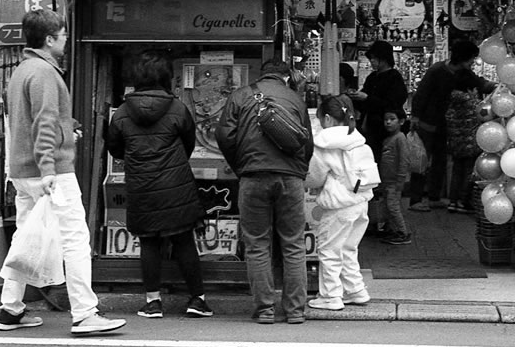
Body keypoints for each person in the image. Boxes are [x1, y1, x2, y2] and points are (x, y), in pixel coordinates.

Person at [0, 8, 127, 335]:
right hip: (50, 172)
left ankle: (10, 309)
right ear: (50, 39)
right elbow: (43, 120)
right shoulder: (44, 73)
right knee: (75, 239)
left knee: (26, 238)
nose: (67, 40)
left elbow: (26, 124)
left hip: (23, 171)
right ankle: (85, 313)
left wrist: (66, 133)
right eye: (63, 35)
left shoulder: (21, 71)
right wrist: (49, 166)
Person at [106, 49, 212, 319]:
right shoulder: (178, 108)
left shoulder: (121, 113)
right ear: (166, 76)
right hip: (176, 184)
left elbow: (115, 149)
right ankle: (197, 299)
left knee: (149, 242)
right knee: (184, 240)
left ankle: (153, 301)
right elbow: (189, 144)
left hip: (142, 185)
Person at [216, 59, 314, 325]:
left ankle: (265, 310)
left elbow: (224, 136)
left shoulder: (241, 95)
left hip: (253, 176)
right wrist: (298, 171)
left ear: (263, 76)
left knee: (257, 244)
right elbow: (307, 144)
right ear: (286, 78)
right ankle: (295, 311)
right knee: (293, 243)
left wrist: (242, 166)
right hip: (290, 178)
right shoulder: (294, 99)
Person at [407, 38, 494, 211]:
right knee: (421, 160)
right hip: (427, 122)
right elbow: (421, 95)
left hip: (446, 124)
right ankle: (415, 199)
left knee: (439, 161)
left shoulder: (464, 72)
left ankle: (434, 197)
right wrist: (415, 118)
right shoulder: (436, 70)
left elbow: (480, 84)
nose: (471, 63)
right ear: (464, 58)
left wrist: (498, 86)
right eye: (471, 59)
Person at [304, 95, 373, 310]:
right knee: (348, 248)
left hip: (338, 204)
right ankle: (355, 290)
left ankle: (330, 296)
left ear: (326, 118)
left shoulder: (324, 143)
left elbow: (314, 177)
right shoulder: (358, 139)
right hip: (361, 201)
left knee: (329, 250)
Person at [348, 40, 408, 161]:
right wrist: (355, 97)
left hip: (386, 130)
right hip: (370, 128)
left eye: (374, 58)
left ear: (384, 58)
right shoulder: (372, 77)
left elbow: (394, 103)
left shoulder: (394, 77)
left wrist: (367, 98)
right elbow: (364, 102)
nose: (372, 62)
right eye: (371, 59)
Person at [443, 69, 485, 214]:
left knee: (456, 172)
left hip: (455, 142)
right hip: (470, 142)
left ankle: (453, 201)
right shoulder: (470, 101)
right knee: (469, 172)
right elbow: (482, 113)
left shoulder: (451, 98)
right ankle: (463, 201)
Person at [378, 107, 413, 245]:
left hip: (394, 181)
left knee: (393, 206)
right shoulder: (388, 139)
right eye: (386, 120)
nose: (388, 122)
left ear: (401, 121)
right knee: (388, 206)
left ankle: (402, 232)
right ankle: (392, 229)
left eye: (392, 119)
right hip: (387, 180)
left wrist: (400, 179)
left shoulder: (400, 138)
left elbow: (404, 160)